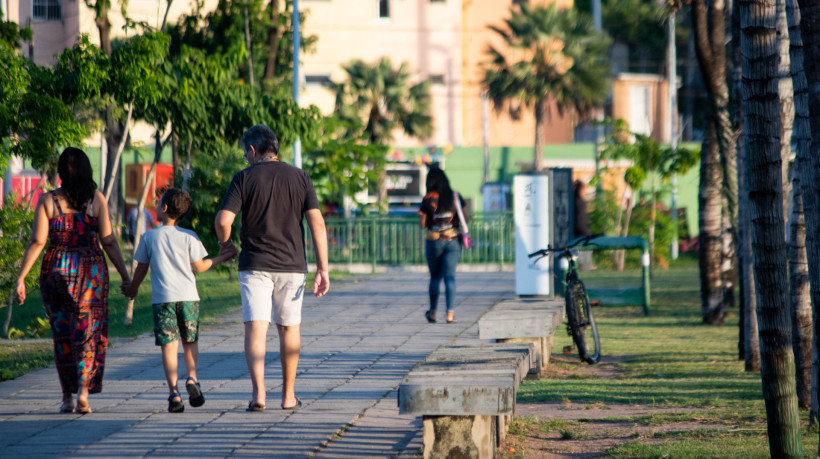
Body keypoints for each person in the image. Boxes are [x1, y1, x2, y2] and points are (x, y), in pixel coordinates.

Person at [215, 124, 330, 412]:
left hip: (254, 265)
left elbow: (222, 220)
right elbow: (317, 224)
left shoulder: (244, 178)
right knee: (289, 329)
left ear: (253, 151)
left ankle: (259, 395)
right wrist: (323, 269)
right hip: (292, 265)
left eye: (245, 154)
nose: (246, 159)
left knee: (256, 328)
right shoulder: (300, 177)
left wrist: (225, 244)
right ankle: (289, 396)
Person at [14, 147, 132, 414]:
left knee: (63, 335)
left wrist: (21, 278)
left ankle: (67, 397)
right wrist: (125, 277)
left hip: (55, 271)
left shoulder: (48, 201)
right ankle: (84, 394)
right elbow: (110, 241)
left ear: (60, 174)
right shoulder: (96, 200)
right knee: (89, 334)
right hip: (91, 274)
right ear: (88, 171)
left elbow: (37, 241)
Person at [123, 188, 237, 413]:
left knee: (168, 345)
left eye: (157, 203)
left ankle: (174, 393)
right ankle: (192, 379)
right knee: (190, 341)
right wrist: (223, 256)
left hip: (163, 300)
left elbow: (141, 269)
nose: (156, 206)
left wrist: (132, 289)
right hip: (188, 299)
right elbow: (201, 266)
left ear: (164, 208)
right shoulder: (189, 237)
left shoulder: (149, 237)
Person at [419, 167, 466, 324]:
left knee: (435, 277)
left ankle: (432, 313)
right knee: (450, 277)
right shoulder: (455, 196)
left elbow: (422, 224)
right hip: (453, 241)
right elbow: (466, 217)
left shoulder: (428, 199)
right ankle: (450, 314)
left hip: (434, 241)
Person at [573, 180, 594, 271]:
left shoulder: (577, 198)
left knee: (585, 243)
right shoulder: (577, 199)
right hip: (580, 225)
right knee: (586, 243)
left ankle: (584, 264)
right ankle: (585, 264)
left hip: (581, 224)